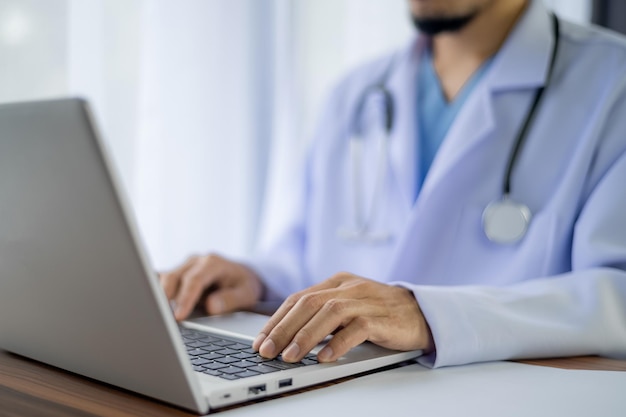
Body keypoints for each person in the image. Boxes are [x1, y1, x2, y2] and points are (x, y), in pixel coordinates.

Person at [160, 0, 626, 368]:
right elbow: (306, 255)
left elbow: (616, 296)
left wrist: (429, 315)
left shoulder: (613, 84)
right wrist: (255, 279)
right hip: (341, 388)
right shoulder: (356, 93)